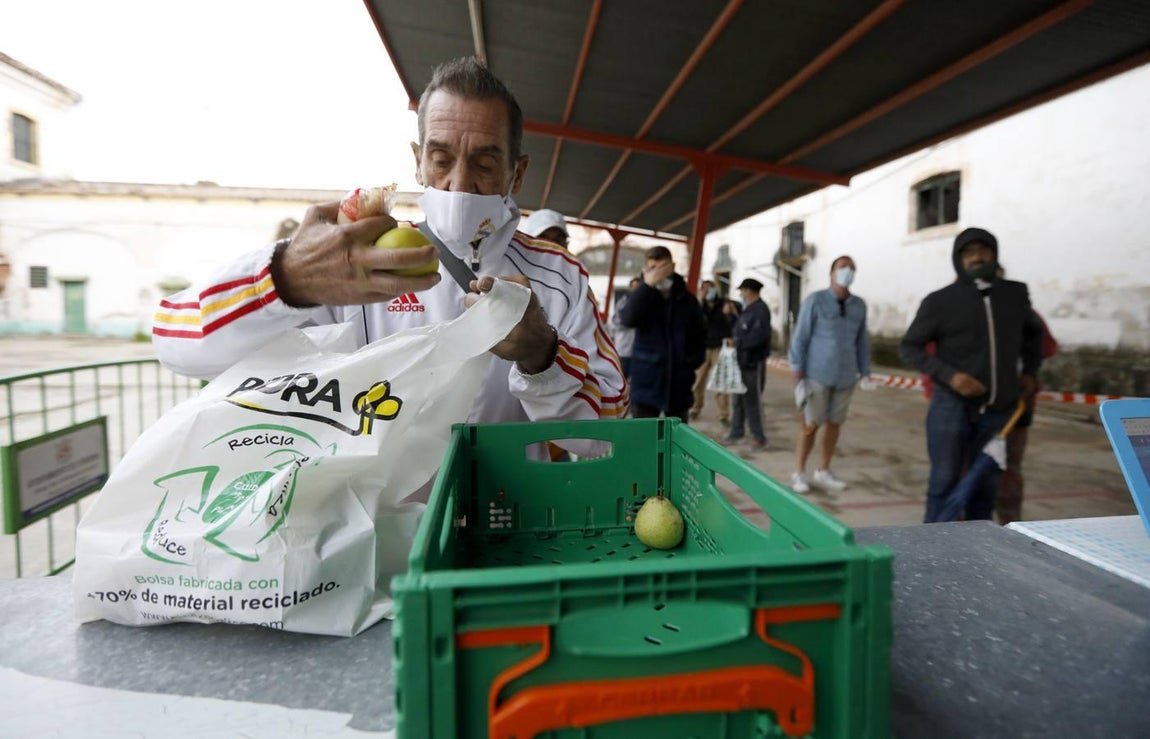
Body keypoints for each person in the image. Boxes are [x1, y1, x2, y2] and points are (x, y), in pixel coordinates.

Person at [152, 57, 628, 461]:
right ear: (418, 161)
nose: (459, 184)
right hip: (371, 541)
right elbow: (177, 341)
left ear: (516, 172)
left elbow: (609, 434)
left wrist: (541, 354)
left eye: (484, 164)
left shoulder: (558, 275)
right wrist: (288, 278)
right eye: (441, 160)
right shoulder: (353, 261)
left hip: (505, 532)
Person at [900, 227, 1044, 523]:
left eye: (984, 250)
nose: (977, 257)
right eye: (968, 252)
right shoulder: (939, 301)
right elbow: (909, 347)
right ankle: (934, 549)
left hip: (998, 411)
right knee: (943, 481)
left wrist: (1030, 370)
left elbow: (1034, 335)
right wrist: (950, 377)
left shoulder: (1015, 294)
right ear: (958, 259)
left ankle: (977, 550)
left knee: (985, 486)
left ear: (994, 254)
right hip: (950, 407)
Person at [788, 256, 870, 494]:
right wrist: (798, 376)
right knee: (810, 425)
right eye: (842, 267)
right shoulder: (816, 301)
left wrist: (865, 371)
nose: (847, 272)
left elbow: (862, 340)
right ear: (832, 273)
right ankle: (799, 472)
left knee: (835, 424)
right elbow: (800, 337)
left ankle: (823, 470)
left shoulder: (859, 306)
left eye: (851, 268)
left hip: (846, 377)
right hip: (816, 375)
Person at [617, 246, 706, 423]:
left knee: (677, 440)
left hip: (679, 383)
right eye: (652, 268)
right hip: (646, 382)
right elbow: (627, 319)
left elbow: (700, 333)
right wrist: (647, 286)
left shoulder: (687, 299)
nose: (658, 272)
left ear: (672, 266)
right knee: (646, 440)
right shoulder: (641, 296)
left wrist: (691, 362)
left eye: (662, 267)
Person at [724, 278, 771, 450]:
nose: (741, 294)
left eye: (742, 291)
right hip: (741, 361)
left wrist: (738, 343)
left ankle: (759, 437)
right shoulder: (748, 310)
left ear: (749, 291)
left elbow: (760, 337)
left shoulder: (760, 310)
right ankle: (737, 430)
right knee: (737, 399)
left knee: (752, 401)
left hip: (752, 362)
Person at [689, 279, 737, 425]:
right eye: (705, 289)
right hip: (703, 347)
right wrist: (701, 302)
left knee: (721, 381)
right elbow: (695, 323)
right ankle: (696, 408)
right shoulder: (698, 306)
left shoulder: (724, 304)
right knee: (698, 382)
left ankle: (724, 414)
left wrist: (729, 315)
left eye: (711, 289)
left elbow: (735, 322)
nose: (709, 291)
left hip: (720, 347)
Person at [610, 276, 641, 380]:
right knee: (621, 380)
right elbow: (614, 323)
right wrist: (630, 322)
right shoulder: (622, 304)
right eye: (634, 287)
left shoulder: (646, 303)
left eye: (638, 287)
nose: (635, 290)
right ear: (629, 288)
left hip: (639, 352)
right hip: (624, 350)